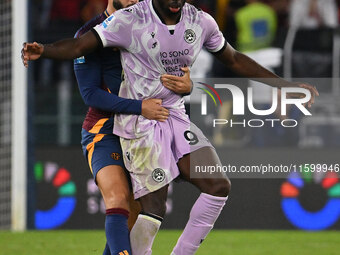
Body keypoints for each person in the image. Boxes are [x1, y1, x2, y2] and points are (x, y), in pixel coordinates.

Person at [22, 0, 319, 254]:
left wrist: (283, 85)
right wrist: (44, 50)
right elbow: (78, 46)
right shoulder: (130, 20)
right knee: (149, 210)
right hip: (140, 121)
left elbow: (234, 59)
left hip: (175, 115)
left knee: (217, 185)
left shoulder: (200, 20)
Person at [78, 0, 192, 254]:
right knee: (117, 199)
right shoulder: (90, 34)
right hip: (104, 130)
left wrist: (187, 84)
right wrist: (139, 107)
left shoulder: (155, 28)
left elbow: (172, 84)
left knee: (134, 214)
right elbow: (90, 94)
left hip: (146, 130)